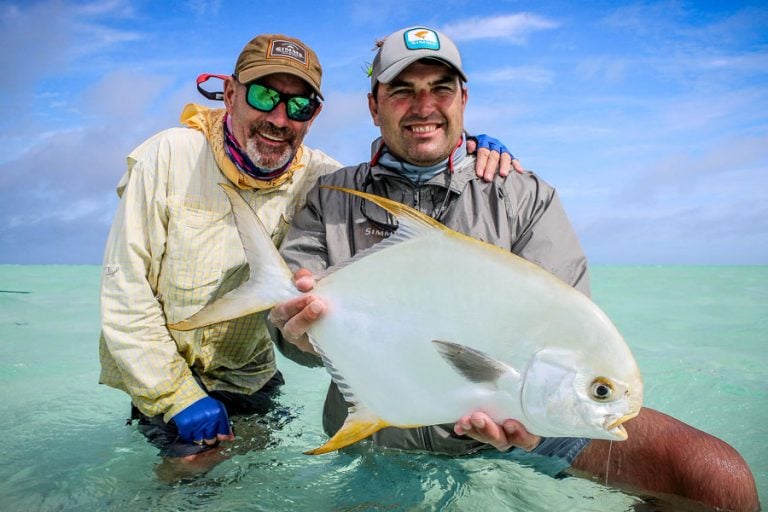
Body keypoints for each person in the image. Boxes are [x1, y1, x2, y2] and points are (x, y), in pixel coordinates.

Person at [268, 26, 760, 512]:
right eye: (402, 91)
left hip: (523, 429)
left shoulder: (524, 196)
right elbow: (297, 341)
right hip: (380, 431)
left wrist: (534, 423)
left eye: (441, 89)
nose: (424, 106)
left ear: (464, 99)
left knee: (714, 478)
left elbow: (569, 333)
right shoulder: (332, 198)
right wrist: (300, 332)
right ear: (374, 106)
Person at [98, 32, 516, 473]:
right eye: (264, 96)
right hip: (162, 378)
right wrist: (177, 395)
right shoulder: (168, 157)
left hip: (253, 379)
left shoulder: (322, 178)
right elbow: (124, 291)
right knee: (187, 482)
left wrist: (466, 149)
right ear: (230, 94)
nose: (280, 118)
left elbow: (402, 193)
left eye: (300, 106)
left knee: (251, 487)